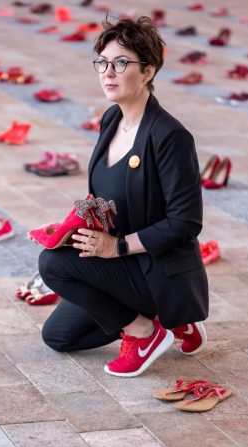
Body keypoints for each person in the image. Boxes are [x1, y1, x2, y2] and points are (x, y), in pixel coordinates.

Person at [37, 16, 209, 377]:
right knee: (58, 336)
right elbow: (105, 193)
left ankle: (144, 331)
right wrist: (73, 229)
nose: (107, 72)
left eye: (120, 63)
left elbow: (186, 222)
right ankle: (168, 320)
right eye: (101, 62)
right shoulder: (111, 119)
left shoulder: (170, 137)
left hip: (155, 267)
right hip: (121, 262)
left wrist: (115, 247)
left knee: (52, 265)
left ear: (148, 71)